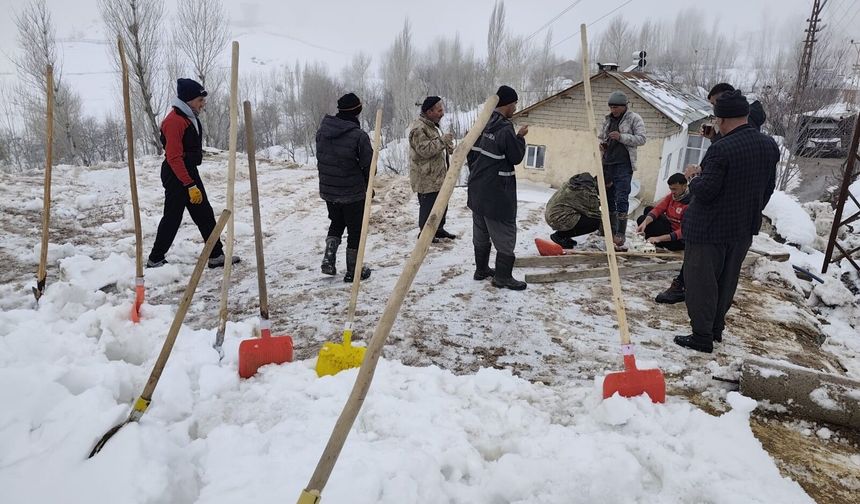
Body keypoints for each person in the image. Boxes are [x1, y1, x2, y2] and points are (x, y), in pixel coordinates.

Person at [674, 90, 778, 353]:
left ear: (722, 120)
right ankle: (716, 329)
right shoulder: (768, 145)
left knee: (701, 283)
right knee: (727, 281)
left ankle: (701, 336)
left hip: (709, 229)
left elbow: (707, 191)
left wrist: (693, 178)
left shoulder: (722, 148)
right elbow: (767, 189)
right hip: (742, 228)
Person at [147, 78, 239, 269]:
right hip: (176, 175)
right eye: (200, 100)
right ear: (188, 100)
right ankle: (155, 258)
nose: (203, 104)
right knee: (173, 217)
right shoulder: (174, 121)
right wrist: (189, 184)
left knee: (204, 213)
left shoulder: (188, 116)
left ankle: (215, 255)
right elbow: (173, 157)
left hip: (188, 171)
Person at [467, 85, 528, 290]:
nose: (515, 108)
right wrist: (520, 137)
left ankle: (481, 269)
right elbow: (516, 157)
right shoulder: (504, 129)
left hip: (477, 189)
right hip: (498, 193)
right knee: (505, 233)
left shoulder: (481, 123)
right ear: (507, 104)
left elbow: (470, 153)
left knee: (481, 231)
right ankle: (503, 277)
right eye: (514, 104)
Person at [316, 92, 372, 282]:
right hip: (352, 191)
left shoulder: (323, 131)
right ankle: (353, 270)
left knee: (337, 221)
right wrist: (368, 186)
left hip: (329, 189)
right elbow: (368, 165)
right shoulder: (358, 136)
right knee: (355, 229)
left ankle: (329, 259)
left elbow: (321, 159)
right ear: (357, 110)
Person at [598, 90, 647, 251]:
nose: (613, 110)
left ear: (624, 106)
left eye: (616, 107)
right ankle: (609, 228)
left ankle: (620, 232)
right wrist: (603, 146)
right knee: (607, 197)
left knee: (621, 198)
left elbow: (642, 139)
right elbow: (601, 136)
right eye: (611, 107)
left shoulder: (634, 119)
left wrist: (621, 137)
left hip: (623, 164)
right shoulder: (607, 120)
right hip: (608, 163)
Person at [636, 171, 692, 304]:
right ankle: (653, 240)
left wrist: (659, 238)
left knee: (656, 227)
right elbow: (657, 210)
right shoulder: (671, 197)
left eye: (675, 189)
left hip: (679, 239)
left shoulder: (690, 204)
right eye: (671, 189)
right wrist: (644, 223)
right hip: (669, 228)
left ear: (684, 186)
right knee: (645, 215)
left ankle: (657, 242)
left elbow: (684, 232)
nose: (672, 192)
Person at [408, 96, 456, 242]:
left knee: (441, 205)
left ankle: (438, 229)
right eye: (439, 110)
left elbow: (435, 145)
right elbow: (424, 150)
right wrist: (442, 141)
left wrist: (446, 146)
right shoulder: (419, 128)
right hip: (426, 178)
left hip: (437, 176)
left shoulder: (432, 125)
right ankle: (425, 234)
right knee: (428, 208)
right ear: (429, 112)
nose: (442, 113)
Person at [544, 172, 602, 249]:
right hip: (559, 218)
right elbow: (594, 213)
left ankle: (564, 236)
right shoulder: (587, 190)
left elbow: (581, 202)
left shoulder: (579, 183)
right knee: (597, 222)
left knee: (587, 217)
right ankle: (560, 236)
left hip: (552, 213)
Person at [702, 82, 767, 141]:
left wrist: (716, 139)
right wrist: (714, 137)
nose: (714, 109)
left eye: (714, 104)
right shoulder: (747, 119)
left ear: (725, 99)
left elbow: (728, 148)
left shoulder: (743, 123)